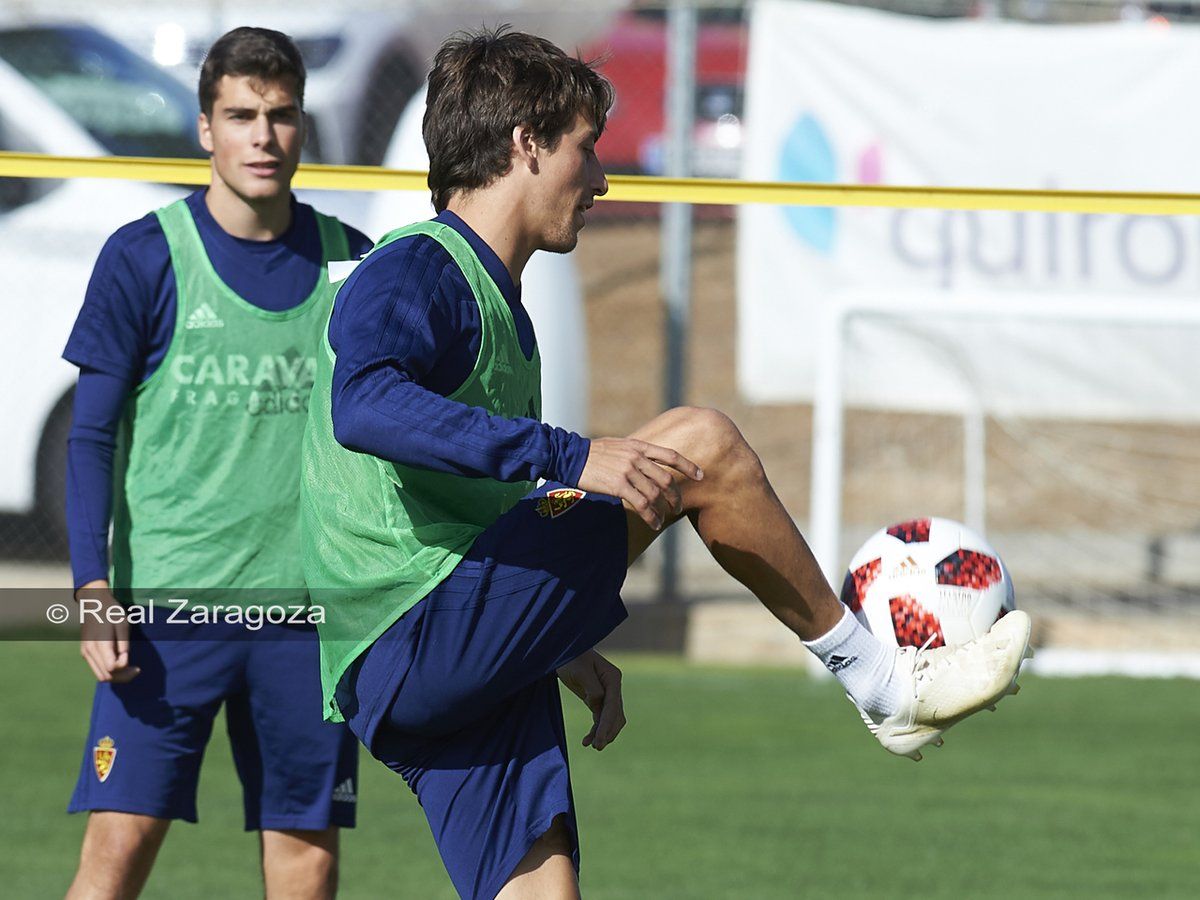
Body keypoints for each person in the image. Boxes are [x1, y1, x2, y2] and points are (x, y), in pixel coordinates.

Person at [300, 27, 1033, 900]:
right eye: (587, 148)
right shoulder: (418, 266)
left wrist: (560, 650)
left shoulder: (502, 308)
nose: (603, 179)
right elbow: (364, 407)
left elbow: (456, 500)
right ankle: (881, 681)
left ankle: (876, 686)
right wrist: (571, 455)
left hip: (436, 653)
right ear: (524, 145)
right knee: (701, 448)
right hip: (412, 629)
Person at [62, 27, 372, 899]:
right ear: (206, 128)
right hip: (167, 613)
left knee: (306, 863)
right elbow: (91, 438)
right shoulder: (143, 255)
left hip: (306, 621)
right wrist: (93, 589)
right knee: (116, 851)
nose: (262, 137)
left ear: (302, 126)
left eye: (279, 115)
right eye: (241, 115)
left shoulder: (353, 263)